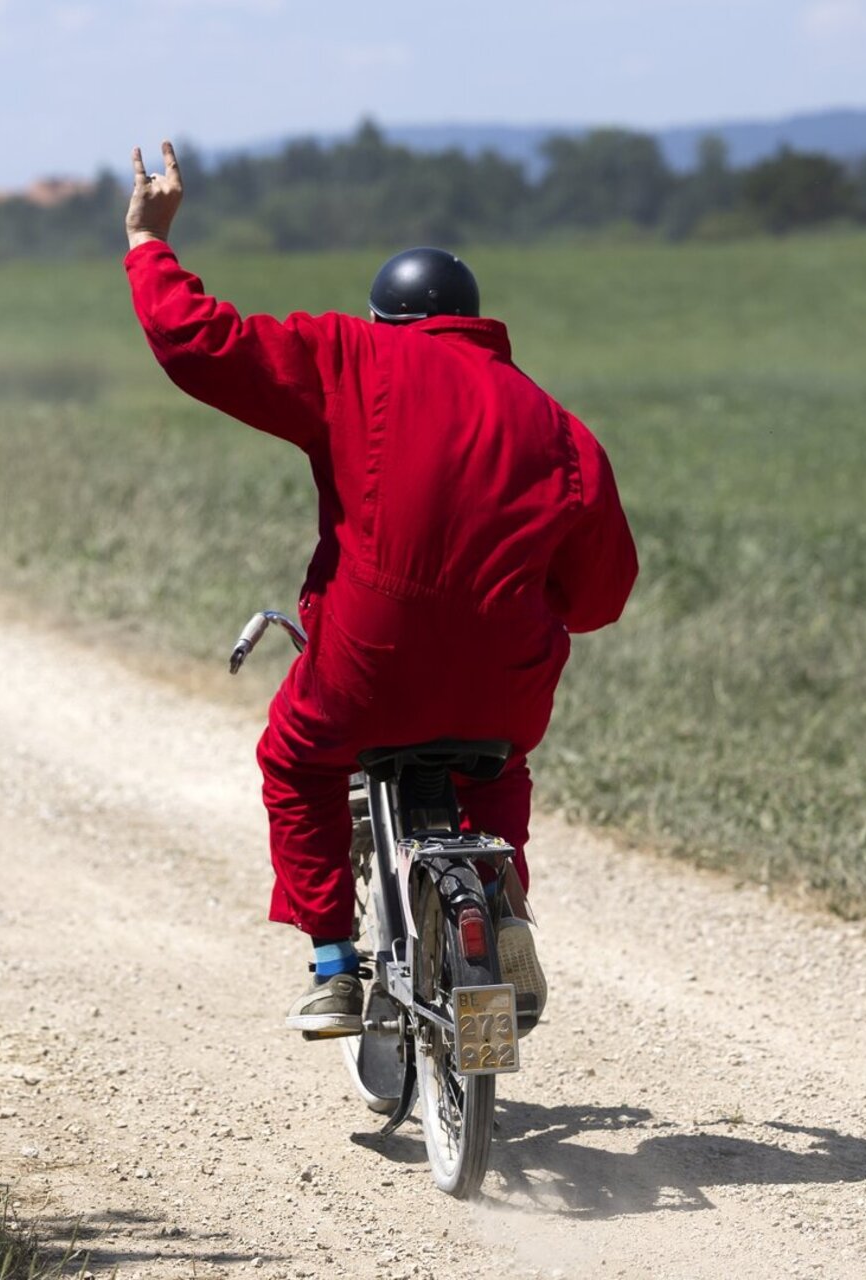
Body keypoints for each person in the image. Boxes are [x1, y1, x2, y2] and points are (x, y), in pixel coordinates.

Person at [122, 141, 638, 1038]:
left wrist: (147, 243)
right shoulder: (559, 425)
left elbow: (200, 343)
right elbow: (598, 598)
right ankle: (502, 912)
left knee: (296, 758)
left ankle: (330, 965)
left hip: (371, 659)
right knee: (497, 765)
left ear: (382, 315)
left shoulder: (351, 355)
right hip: (503, 685)